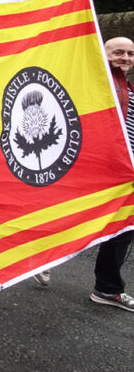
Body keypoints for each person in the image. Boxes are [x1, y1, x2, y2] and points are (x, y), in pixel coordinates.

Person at [87, 35, 134, 310]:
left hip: (124, 176)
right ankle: (37, 257)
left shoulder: (129, 89)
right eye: (118, 53)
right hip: (96, 171)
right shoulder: (98, 84)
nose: (125, 58)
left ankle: (107, 288)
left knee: (123, 229)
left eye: (130, 54)